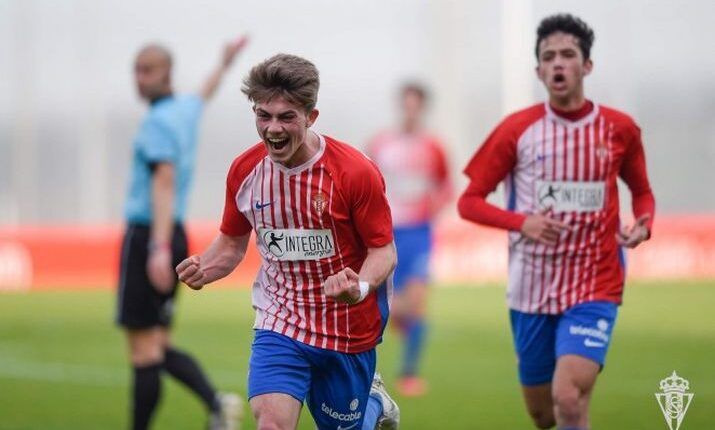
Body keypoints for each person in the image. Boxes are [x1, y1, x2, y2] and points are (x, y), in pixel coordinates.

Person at [176, 53, 401, 430]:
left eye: (286, 117)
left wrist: (358, 287)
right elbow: (231, 244)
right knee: (271, 423)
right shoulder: (245, 171)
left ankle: (373, 402)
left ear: (311, 117)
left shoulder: (354, 172)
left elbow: (384, 251)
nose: (273, 129)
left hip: (348, 326)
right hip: (281, 319)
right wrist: (205, 266)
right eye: (264, 116)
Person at [457, 14, 655, 430]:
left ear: (587, 65)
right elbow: (468, 202)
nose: (558, 64)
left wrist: (643, 223)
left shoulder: (619, 129)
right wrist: (521, 222)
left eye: (568, 55)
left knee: (568, 396)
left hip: (596, 281)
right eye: (549, 57)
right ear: (539, 70)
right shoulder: (517, 129)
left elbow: (641, 191)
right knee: (543, 414)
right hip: (531, 289)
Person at [117, 37, 248, 430]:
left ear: (166, 73)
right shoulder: (184, 110)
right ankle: (215, 403)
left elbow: (164, 180)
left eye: (147, 70)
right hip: (173, 231)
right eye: (135, 71)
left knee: (144, 351)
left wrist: (156, 248)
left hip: (150, 234)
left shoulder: (158, 121)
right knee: (158, 344)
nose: (138, 79)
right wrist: (223, 64)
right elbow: (203, 94)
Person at [366, 83, 451, 397]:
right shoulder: (381, 143)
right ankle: (399, 324)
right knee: (385, 303)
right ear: (401, 106)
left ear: (423, 108)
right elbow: (365, 180)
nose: (411, 110)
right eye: (407, 104)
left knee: (415, 302)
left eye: (416, 105)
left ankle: (409, 374)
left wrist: (432, 210)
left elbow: (445, 186)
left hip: (419, 232)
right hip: (387, 232)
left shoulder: (433, 147)